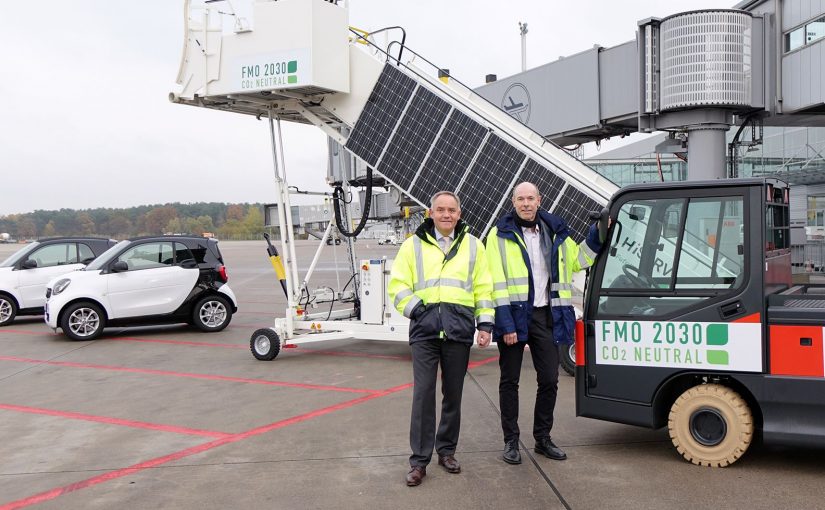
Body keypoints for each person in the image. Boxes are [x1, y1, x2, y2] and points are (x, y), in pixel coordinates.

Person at [485, 181, 604, 465]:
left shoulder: (556, 231)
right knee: (509, 381)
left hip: (546, 316)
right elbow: (494, 282)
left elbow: (578, 260)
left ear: (540, 200)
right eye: (520, 199)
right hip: (514, 315)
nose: (526, 204)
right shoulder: (498, 235)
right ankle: (511, 441)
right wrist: (506, 325)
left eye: (530, 198)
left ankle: (542, 438)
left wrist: (598, 234)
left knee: (549, 379)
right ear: (513, 202)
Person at [388, 191, 494, 487]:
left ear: (459, 214)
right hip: (425, 331)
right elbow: (397, 285)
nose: (446, 214)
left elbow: (483, 288)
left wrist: (485, 324)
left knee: (454, 394)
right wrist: (417, 310)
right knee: (423, 394)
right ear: (430, 213)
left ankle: (446, 450)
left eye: (452, 210)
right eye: (440, 210)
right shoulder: (413, 245)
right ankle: (418, 461)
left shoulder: (474, 246)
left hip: (458, 329)